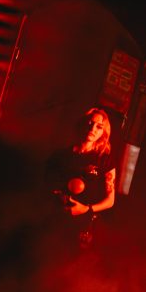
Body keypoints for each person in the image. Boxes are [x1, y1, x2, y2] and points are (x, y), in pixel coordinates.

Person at [44, 107, 116, 251]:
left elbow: (110, 200)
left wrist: (86, 209)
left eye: (99, 127)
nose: (93, 129)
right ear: (82, 124)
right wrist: (58, 196)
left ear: (103, 133)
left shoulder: (105, 160)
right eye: (90, 123)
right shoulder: (60, 156)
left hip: (83, 228)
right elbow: (46, 186)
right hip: (56, 223)